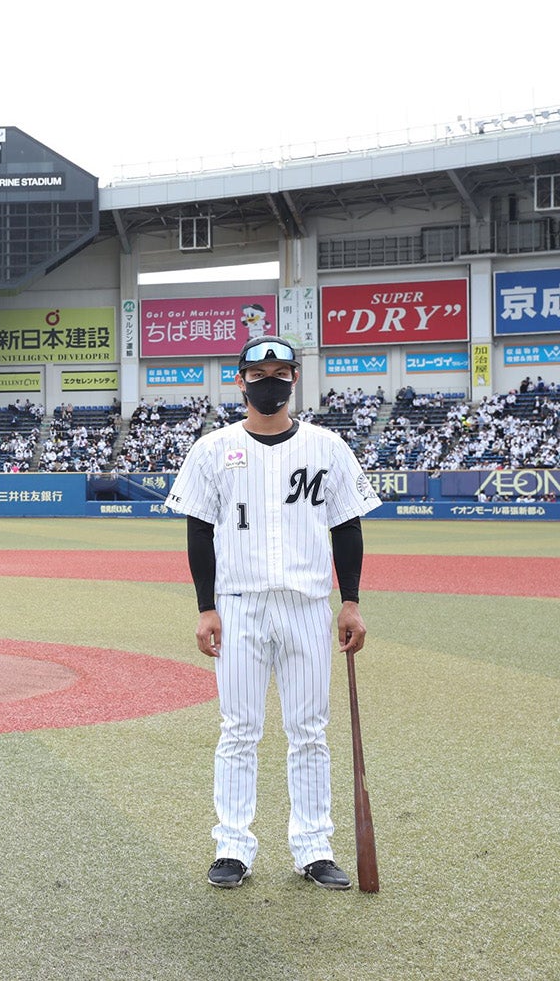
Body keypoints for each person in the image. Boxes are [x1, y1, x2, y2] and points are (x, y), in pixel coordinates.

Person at [166, 335, 380, 892]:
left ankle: (313, 848)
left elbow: (347, 526)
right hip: (238, 607)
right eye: (260, 373)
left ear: (294, 379)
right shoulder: (212, 449)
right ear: (240, 381)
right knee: (239, 729)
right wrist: (205, 608)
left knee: (309, 731)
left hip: (308, 606)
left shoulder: (327, 446)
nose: (270, 381)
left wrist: (350, 601)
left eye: (281, 371)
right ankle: (233, 846)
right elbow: (198, 531)